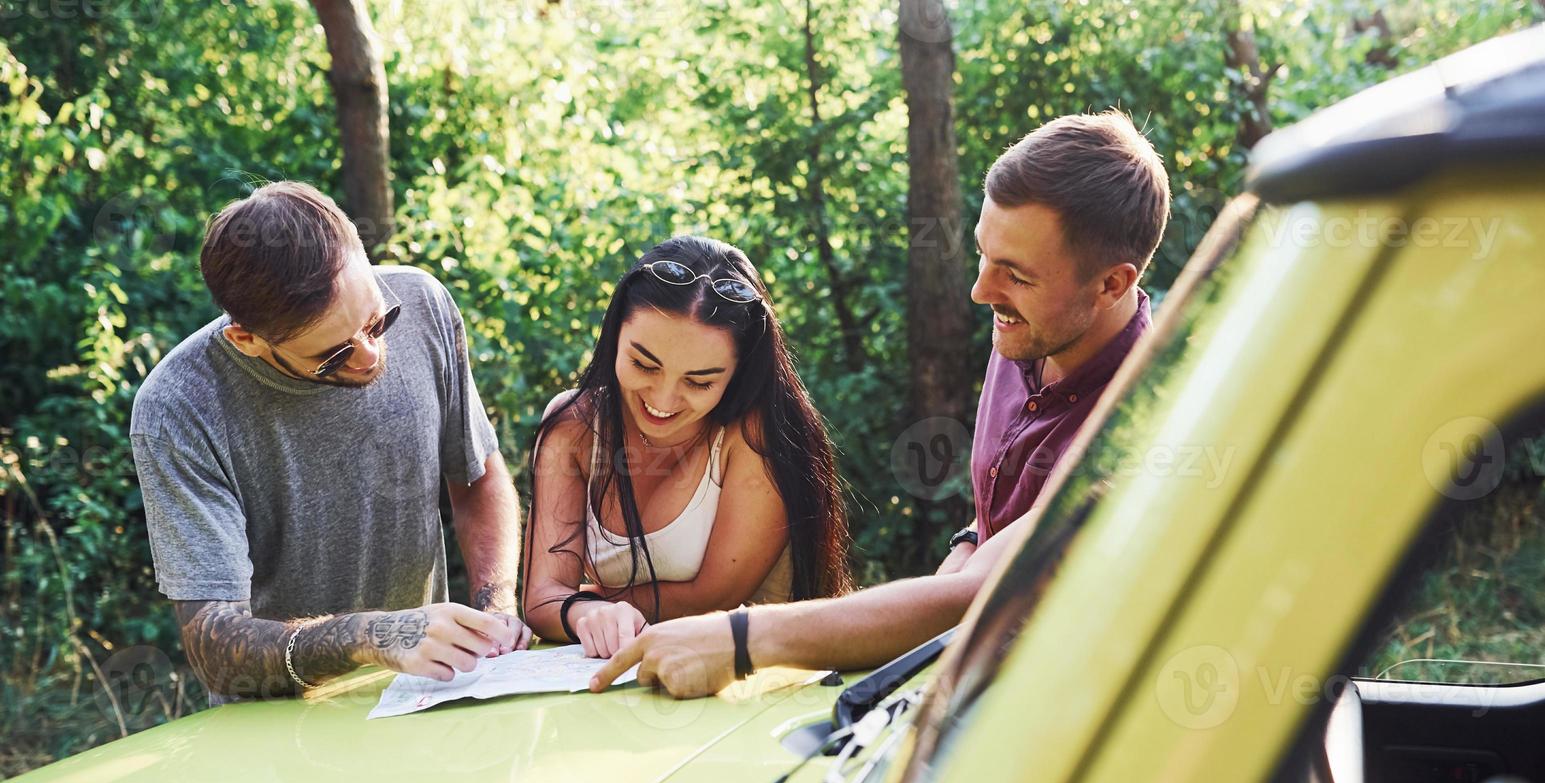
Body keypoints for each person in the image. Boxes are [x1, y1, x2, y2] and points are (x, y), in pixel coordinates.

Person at [588, 110, 1170, 697]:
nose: (981, 290)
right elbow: (1005, 522)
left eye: (1015, 275)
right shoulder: (1034, 330)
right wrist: (965, 548)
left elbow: (988, 593)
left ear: (1111, 285)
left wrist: (739, 639)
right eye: (982, 255)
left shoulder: (1139, 416)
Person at [130, 181, 531, 702]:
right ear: (245, 340)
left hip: (426, 695)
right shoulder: (179, 406)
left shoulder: (423, 302)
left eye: (376, 323)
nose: (369, 357)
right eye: (333, 355)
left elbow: (476, 476)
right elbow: (216, 647)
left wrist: (495, 607)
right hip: (277, 727)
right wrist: (371, 636)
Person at [522, 235, 851, 659]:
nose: (663, 399)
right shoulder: (573, 426)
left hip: (751, 688)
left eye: (699, 382)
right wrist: (584, 613)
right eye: (643, 364)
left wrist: (590, 603)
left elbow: (710, 599)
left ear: (739, 372)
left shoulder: (758, 435)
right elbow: (541, 597)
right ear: (614, 335)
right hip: (623, 682)